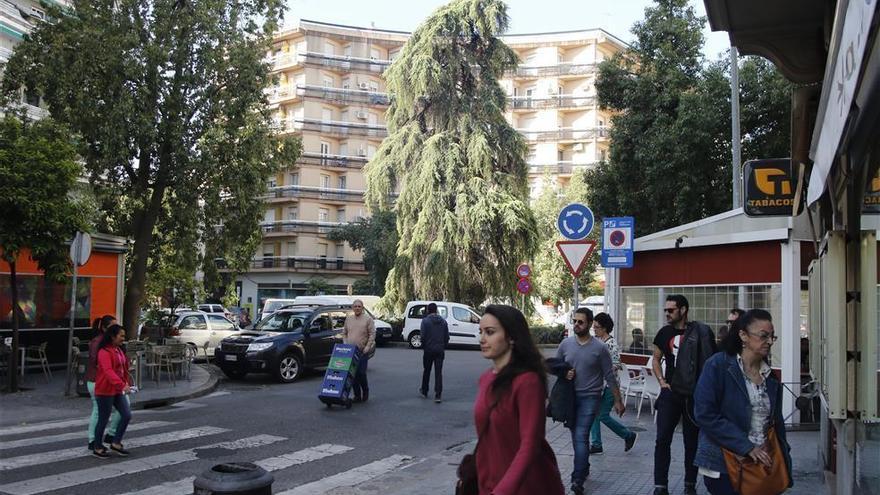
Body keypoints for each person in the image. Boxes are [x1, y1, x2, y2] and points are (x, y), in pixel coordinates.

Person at [694, 309, 793, 494]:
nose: (770, 341)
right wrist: (746, 447)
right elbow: (705, 414)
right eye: (763, 336)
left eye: (773, 336)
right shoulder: (718, 365)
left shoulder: (770, 376)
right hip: (723, 462)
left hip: (761, 464)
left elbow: (776, 423)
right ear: (743, 335)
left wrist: (783, 455)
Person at [473, 304, 565, 495]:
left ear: (511, 337)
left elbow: (530, 444)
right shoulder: (485, 379)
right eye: (480, 331)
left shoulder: (527, 382)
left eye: (490, 332)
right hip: (490, 483)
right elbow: (486, 441)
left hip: (527, 485)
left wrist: (502, 491)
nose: (482, 339)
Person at [652, 295, 717, 495]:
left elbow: (710, 361)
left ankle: (690, 484)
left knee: (692, 442)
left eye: (671, 310)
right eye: (665, 310)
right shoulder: (664, 333)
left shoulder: (700, 332)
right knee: (662, 439)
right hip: (670, 394)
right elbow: (655, 358)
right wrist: (662, 382)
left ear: (683, 310)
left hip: (694, 395)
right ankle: (660, 485)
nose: (667, 314)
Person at [556, 307, 624, 495]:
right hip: (570, 398)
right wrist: (564, 372)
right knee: (576, 436)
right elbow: (555, 366)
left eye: (581, 322)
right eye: (574, 321)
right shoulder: (565, 344)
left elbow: (609, 376)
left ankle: (577, 478)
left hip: (590, 398)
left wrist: (618, 400)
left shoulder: (600, 348)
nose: (576, 325)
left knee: (581, 435)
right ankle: (584, 466)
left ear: (589, 323)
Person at [589, 312, 637, 455]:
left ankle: (628, 435)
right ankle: (596, 443)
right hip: (599, 385)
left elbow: (616, 364)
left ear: (604, 328)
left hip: (610, 386)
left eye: (596, 327)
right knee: (595, 414)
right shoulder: (598, 342)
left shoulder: (611, 344)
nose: (594, 330)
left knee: (602, 415)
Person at [93, 324, 133, 459]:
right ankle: (97, 447)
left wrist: (125, 383)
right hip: (105, 390)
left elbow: (123, 369)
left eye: (123, 335)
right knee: (103, 419)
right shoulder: (104, 352)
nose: (123, 338)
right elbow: (108, 371)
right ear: (112, 336)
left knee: (126, 414)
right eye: (121, 335)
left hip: (117, 389)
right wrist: (122, 385)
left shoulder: (118, 350)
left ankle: (116, 443)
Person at [86, 315, 120, 452]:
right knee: (98, 411)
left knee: (123, 408)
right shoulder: (98, 342)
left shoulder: (112, 342)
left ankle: (109, 435)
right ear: (105, 328)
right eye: (112, 326)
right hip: (97, 381)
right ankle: (93, 439)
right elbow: (97, 362)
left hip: (110, 381)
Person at [342, 299, 375, 403]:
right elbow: (344, 333)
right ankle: (357, 396)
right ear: (353, 308)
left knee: (361, 373)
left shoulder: (368, 319)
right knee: (353, 374)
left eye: (359, 306)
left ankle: (365, 390)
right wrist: (345, 344)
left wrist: (367, 347)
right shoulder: (349, 319)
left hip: (362, 351)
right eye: (355, 306)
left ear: (362, 307)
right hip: (350, 352)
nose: (357, 308)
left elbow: (372, 334)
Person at [419, 302, 449, 403]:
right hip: (440, 350)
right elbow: (446, 337)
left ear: (428, 310)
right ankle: (438, 395)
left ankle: (424, 390)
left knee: (426, 370)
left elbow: (422, 336)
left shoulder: (425, 321)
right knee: (438, 372)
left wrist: (425, 346)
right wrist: (442, 345)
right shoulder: (444, 322)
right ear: (436, 310)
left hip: (428, 349)